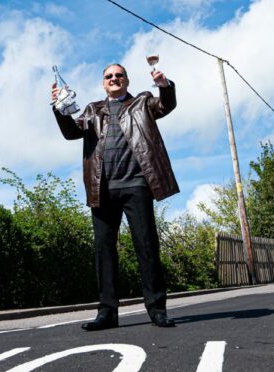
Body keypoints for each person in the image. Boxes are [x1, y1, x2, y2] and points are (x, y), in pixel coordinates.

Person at [51, 63, 179, 331]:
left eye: (118, 75)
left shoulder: (142, 103)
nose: (114, 79)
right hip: (103, 189)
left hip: (137, 185)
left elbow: (166, 106)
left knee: (146, 247)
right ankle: (107, 313)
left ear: (127, 80)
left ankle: (157, 309)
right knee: (104, 252)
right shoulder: (92, 110)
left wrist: (164, 86)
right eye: (109, 76)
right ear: (103, 83)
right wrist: (59, 109)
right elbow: (71, 132)